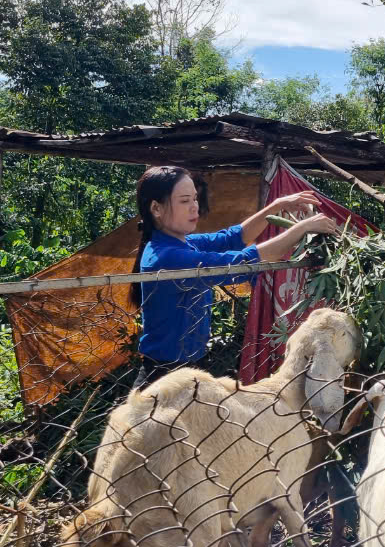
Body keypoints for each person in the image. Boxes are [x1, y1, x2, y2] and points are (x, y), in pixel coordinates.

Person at [132, 164, 337, 388]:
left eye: (194, 199)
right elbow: (242, 263)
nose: (194, 208)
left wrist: (277, 206)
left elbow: (232, 238)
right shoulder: (167, 257)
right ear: (156, 209)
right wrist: (301, 228)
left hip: (189, 368)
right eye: (184, 201)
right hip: (163, 374)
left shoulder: (183, 243)